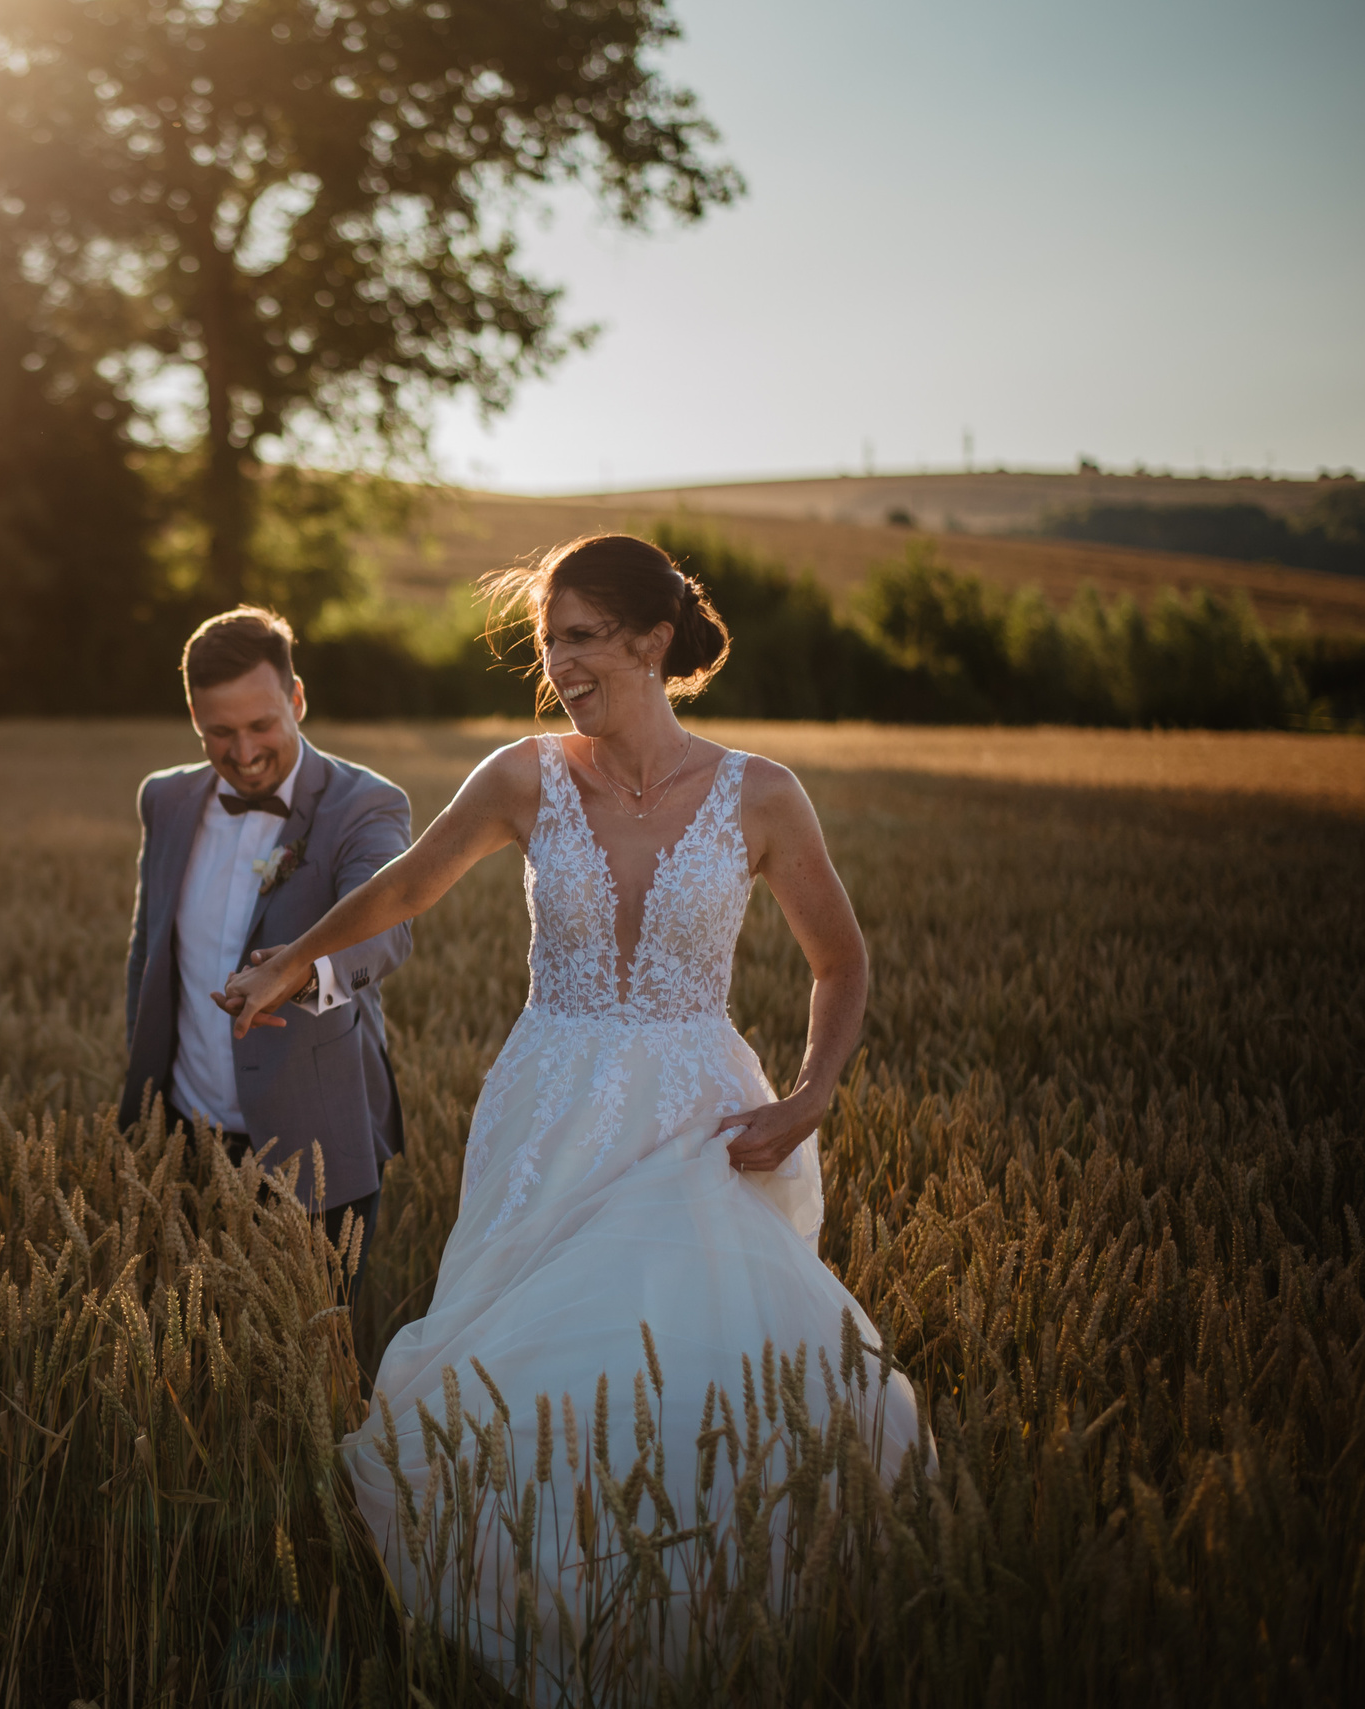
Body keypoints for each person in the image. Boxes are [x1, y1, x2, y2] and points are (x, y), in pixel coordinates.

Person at [219, 535, 928, 1669]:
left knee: (690, 1357)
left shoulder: (762, 794)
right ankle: (537, 1608)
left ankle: (701, 1623)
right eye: (549, 640)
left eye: (584, 636)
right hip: (549, 1107)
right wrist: (292, 959)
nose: (559, 662)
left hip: (699, 1117)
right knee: (527, 1360)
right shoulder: (522, 776)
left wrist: (807, 1094)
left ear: (654, 641)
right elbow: (405, 885)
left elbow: (838, 963)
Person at [120, 607, 412, 1286]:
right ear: (193, 715)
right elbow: (148, 951)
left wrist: (301, 971)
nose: (244, 753)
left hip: (316, 1143)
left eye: (261, 726)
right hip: (181, 1138)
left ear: (298, 699)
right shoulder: (164, 800)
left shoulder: (366, 805)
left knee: (313, 1361)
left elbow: (389, 930)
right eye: (219, 732)